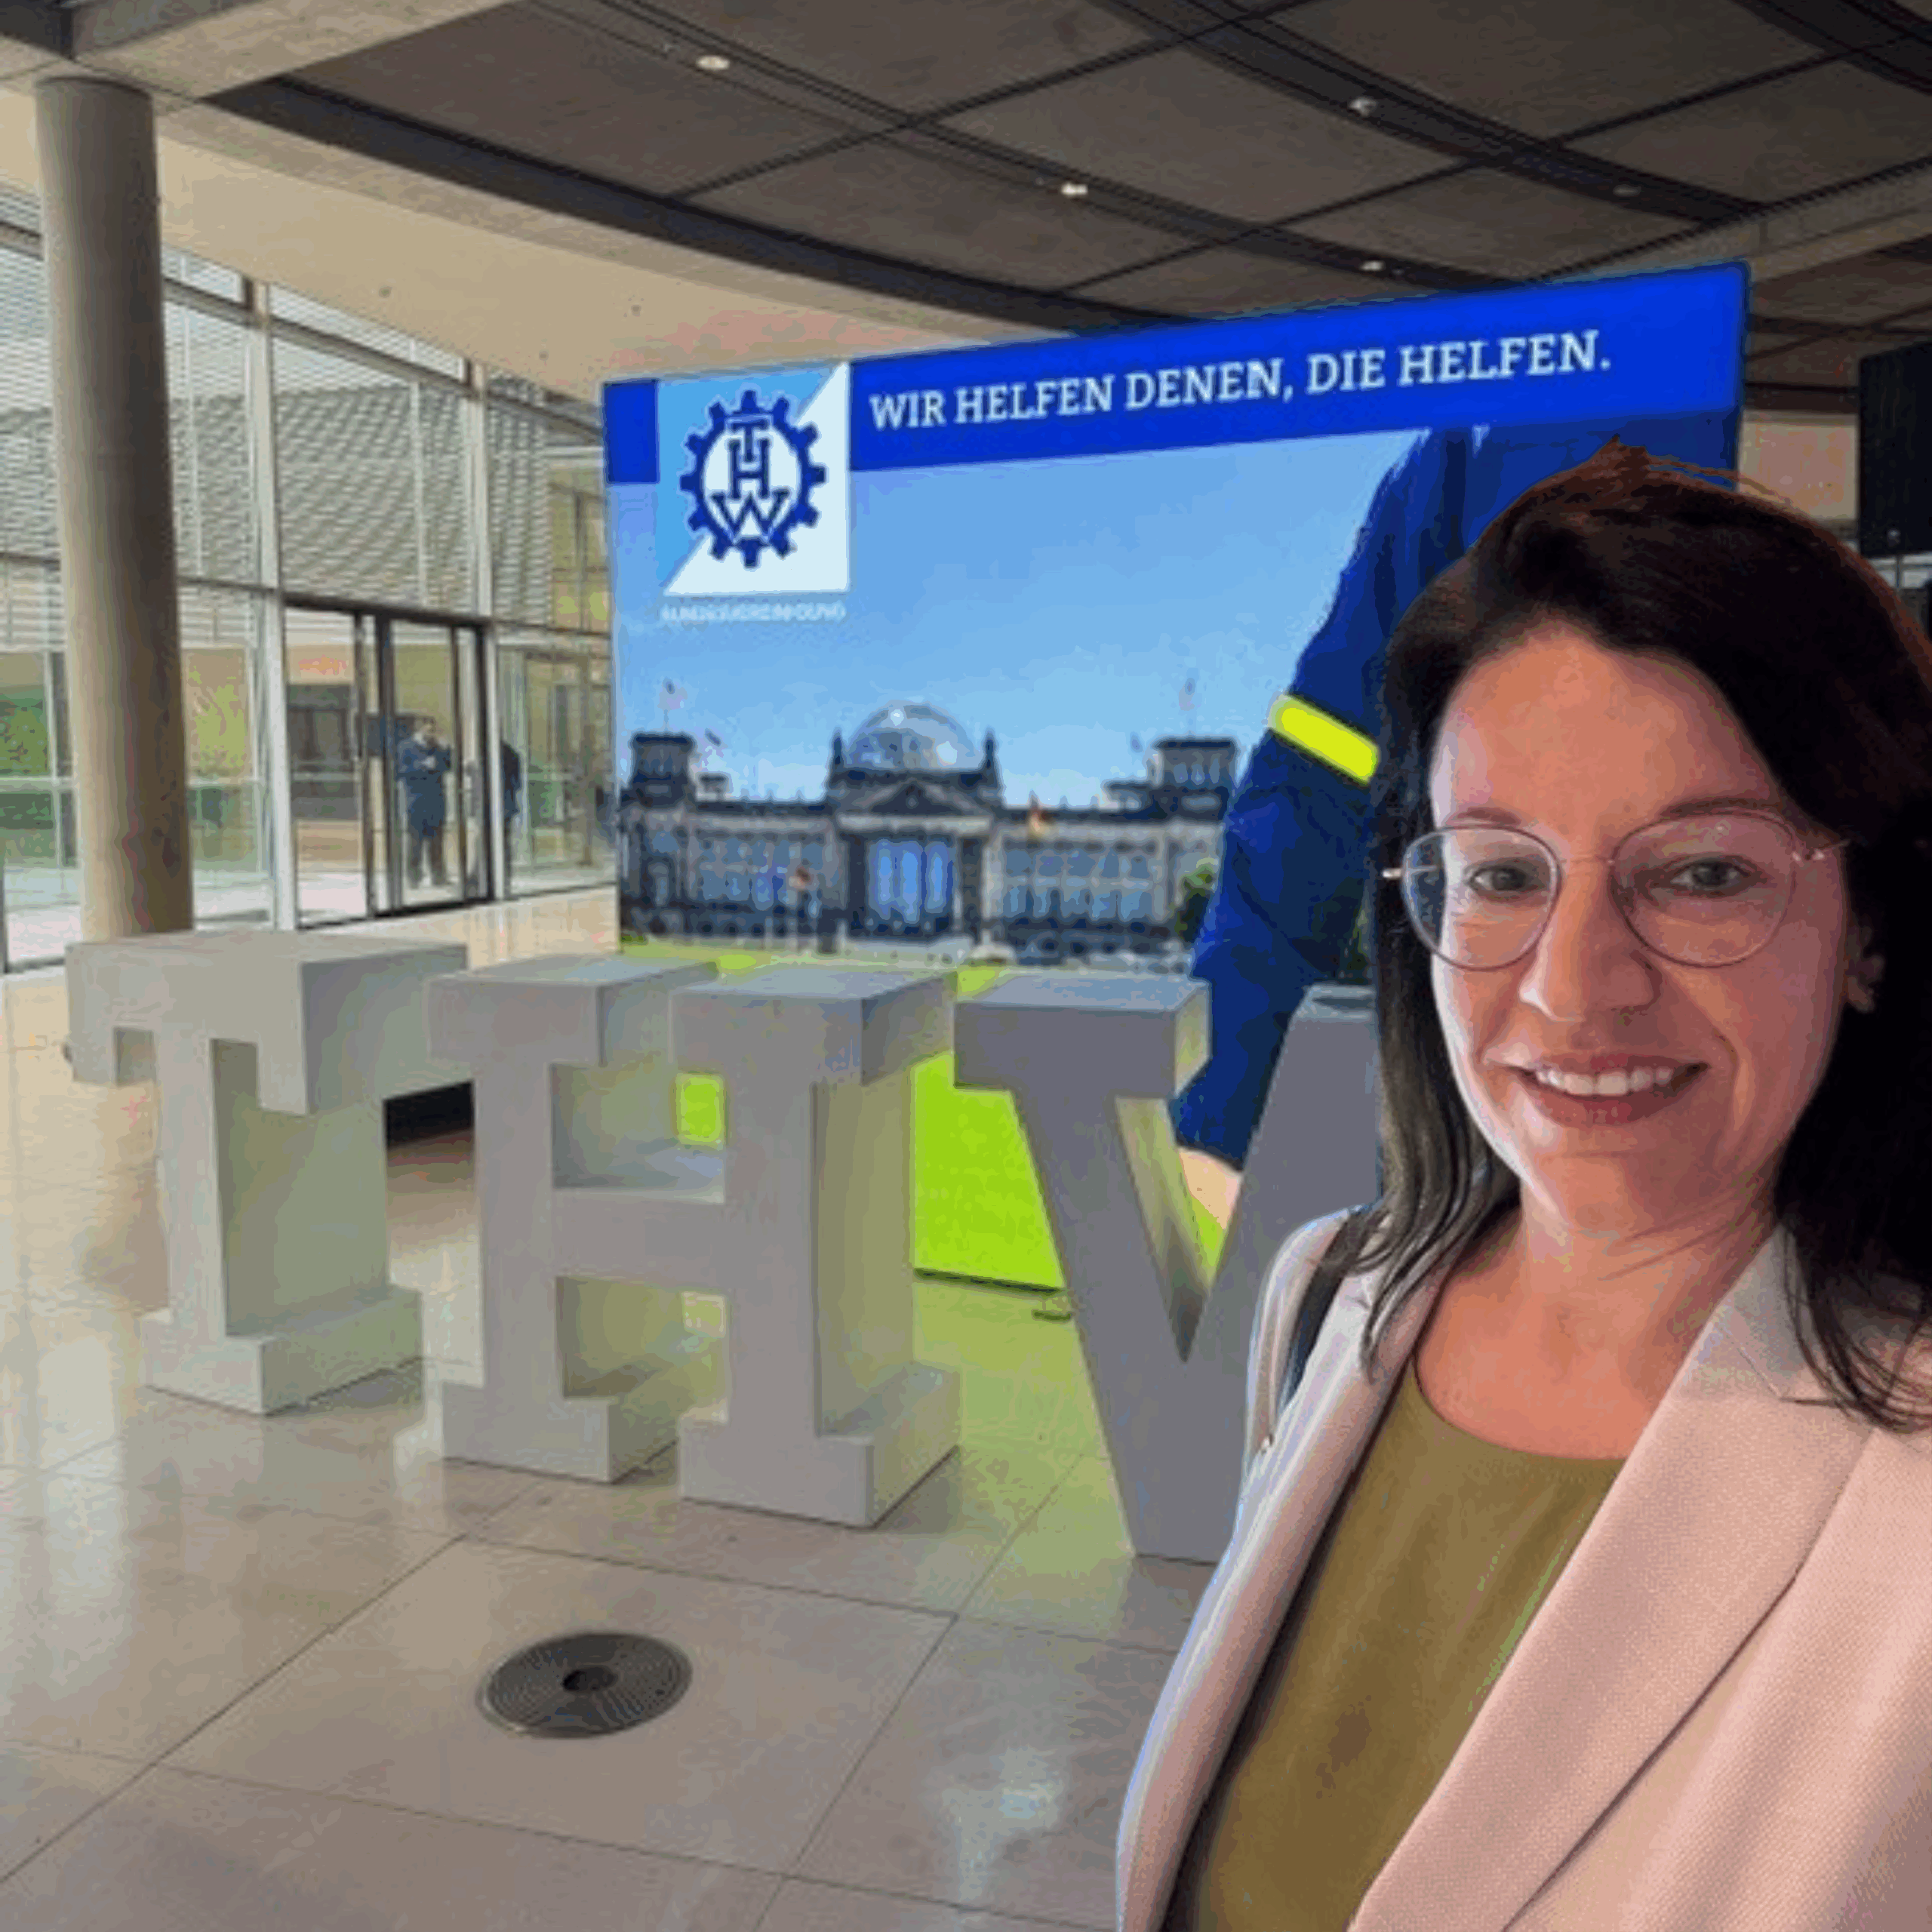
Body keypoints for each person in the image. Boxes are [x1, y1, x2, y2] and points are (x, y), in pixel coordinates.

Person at [1120, 442, 1932, 1930]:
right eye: (1499, 871)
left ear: (1868, 924)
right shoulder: (1329, 1294)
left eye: (1701, 872)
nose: (1572, 990)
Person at [1171, 413, 1734, 1230]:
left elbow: (1312, 785)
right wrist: (1215, 1105)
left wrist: (1215, 1102)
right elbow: (1319, 771)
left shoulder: (1476, 445)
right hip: (1490, 1132)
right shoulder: (1471, 450)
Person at [395, 715, 451, 888]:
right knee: (415, 844)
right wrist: (422, 765)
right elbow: (401, 772)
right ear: (419, 729)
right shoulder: (405, 747)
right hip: (416, 803)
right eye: (429, 730)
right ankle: (414, 878)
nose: (432, 734)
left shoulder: (437, 748)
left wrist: (447, 751)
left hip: (436, 803)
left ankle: (439, 877)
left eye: (433, 730)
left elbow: (449, 767)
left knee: (437, 843)